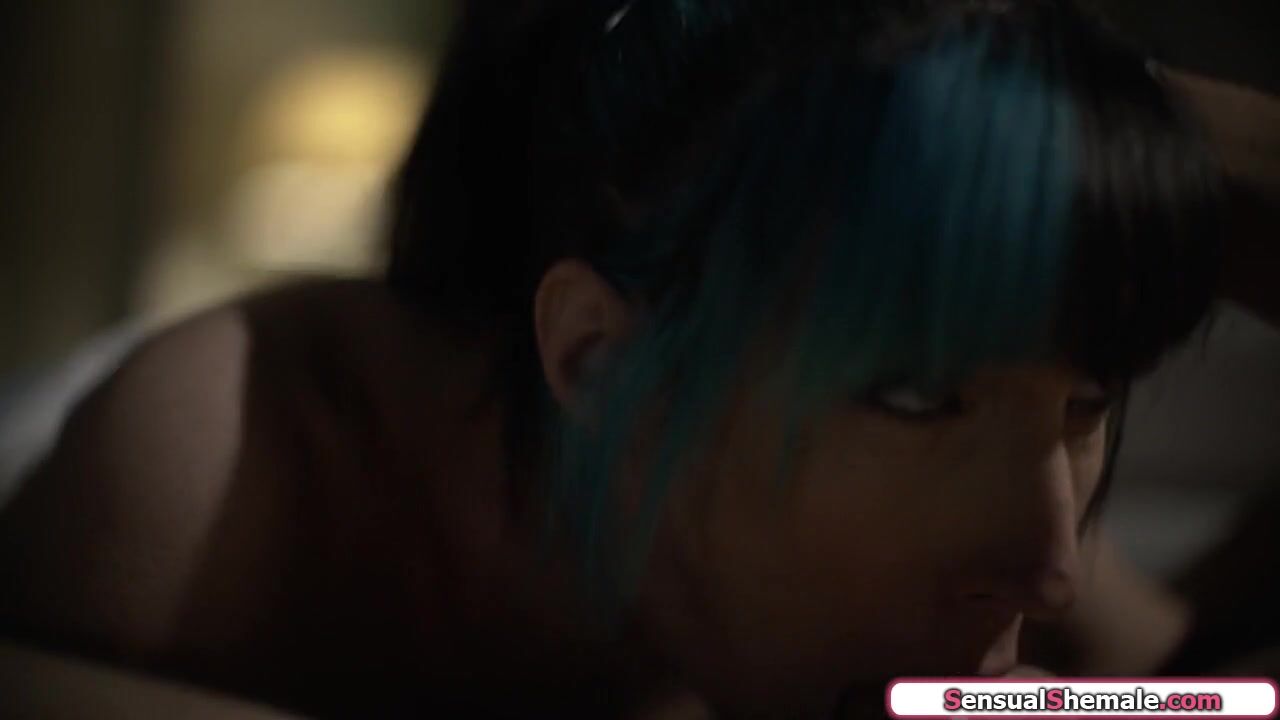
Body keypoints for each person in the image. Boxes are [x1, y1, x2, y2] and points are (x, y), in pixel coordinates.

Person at [0, 0, 1270, 717]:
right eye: (919, 398)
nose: (1049, 567)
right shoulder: (219, 477)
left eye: (1087, 402)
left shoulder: (992, 508)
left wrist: (1099, 113)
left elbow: (1199, 694)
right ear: (598, 361)